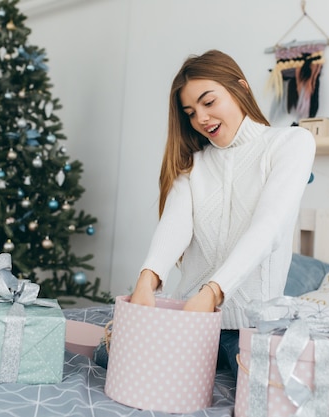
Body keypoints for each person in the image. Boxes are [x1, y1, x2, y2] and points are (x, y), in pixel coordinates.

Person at [98, 49, 316, 379]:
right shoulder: (194, 163)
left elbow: (268, 227)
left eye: (209, 102)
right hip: (188, 317)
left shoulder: (291, 143)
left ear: (240, 88)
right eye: (190, 112)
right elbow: (175, 225)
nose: (201, 117)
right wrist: (147, 280)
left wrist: (213, 293)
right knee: (109, 357)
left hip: (251, 326)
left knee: (268, 386)